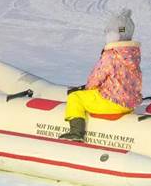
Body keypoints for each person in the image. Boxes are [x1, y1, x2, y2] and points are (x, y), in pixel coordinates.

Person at [59, 9, 142, 141]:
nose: (107, 35)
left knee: (75, 97)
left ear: (116, 35)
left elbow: (97, 76)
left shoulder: (111, 55)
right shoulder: (132, 55)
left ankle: (76, 133)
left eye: (109, 32)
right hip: (129, 104)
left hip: (113, 103)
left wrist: (87, 89)